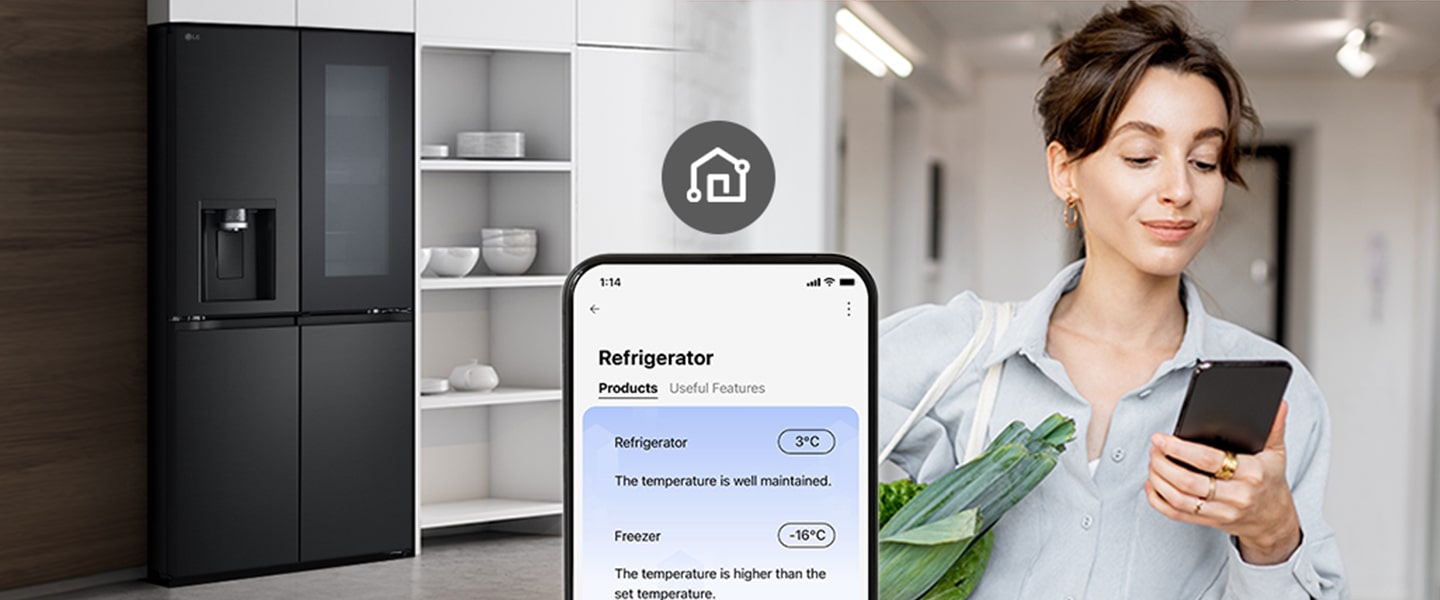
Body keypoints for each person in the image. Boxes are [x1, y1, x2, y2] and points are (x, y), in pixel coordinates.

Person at [878, 2, 1346, 598]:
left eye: (1204, 161)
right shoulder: (956, 352)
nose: (1180, 190)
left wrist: (1272, 535)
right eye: (1140, 157)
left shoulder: (1282, 400)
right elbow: (763, 455)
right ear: (1064, 170)